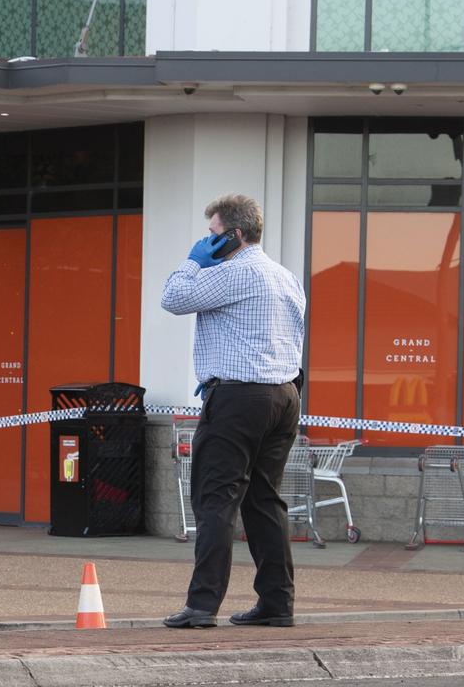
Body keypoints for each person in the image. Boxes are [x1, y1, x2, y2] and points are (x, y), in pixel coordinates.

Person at [159, 194, 306, 629]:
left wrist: (193, 262)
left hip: (239, 398)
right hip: (284, 395)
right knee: (264, 501)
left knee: (215, 500)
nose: (207, 241)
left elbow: (173, 297)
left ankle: (202, 605)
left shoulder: (234, 272)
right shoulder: (285, 276)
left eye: (213, 234)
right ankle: (277, 603)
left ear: (235, 236)